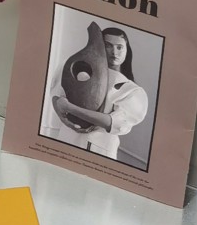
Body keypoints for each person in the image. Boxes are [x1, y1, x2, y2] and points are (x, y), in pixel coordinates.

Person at [49, 24, 149, 160]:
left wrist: (69, 107)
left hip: (98, 149)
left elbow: (113, 122)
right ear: (99, 46)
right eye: (108, 46)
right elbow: (57, 95)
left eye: (119, 47)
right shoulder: (80, 70)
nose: (114, 52)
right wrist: (64, 119)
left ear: (127, 49)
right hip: (67, 137)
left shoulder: (131, 90)